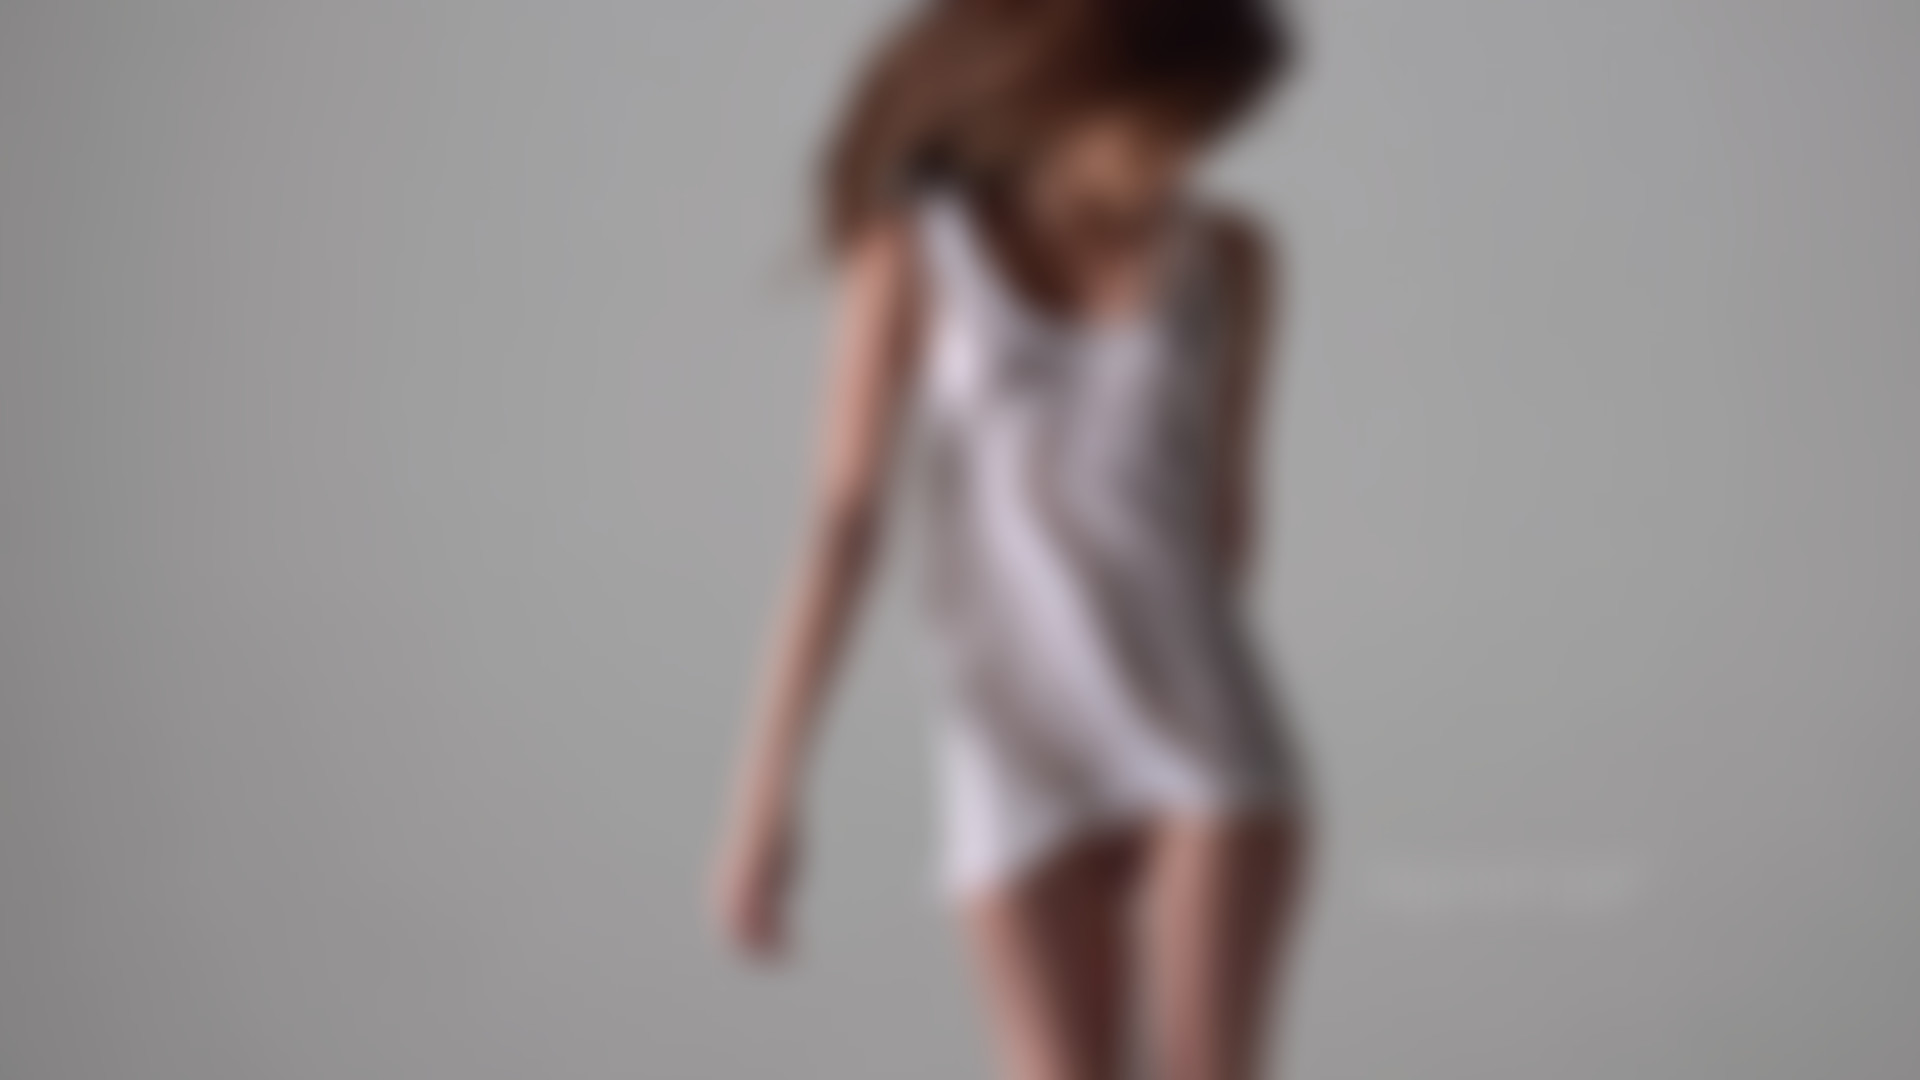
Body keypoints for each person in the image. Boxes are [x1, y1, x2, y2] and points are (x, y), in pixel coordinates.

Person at [709, 2, 1317, 1076]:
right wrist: (765, 799)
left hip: (1201, 723)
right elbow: (844, 524)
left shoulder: (1234, 256)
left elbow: (1225, 518)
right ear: (1073, 94)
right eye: (1168, 122)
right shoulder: (913, 255)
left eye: (1210, 128)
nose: (1186, 156)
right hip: (1011, 738)